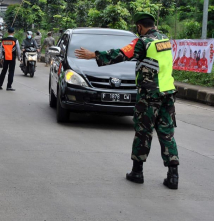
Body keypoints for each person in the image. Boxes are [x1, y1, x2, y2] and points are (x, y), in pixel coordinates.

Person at [75, 12, 180, 190]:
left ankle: (137, 172)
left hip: (149, 94)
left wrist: (93, 55)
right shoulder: (165, 40)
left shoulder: (143, 42)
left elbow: (122, 54)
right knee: (167, 133)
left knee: (143, 132)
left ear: (140, 26)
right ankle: (173, 176)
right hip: (168, 93)